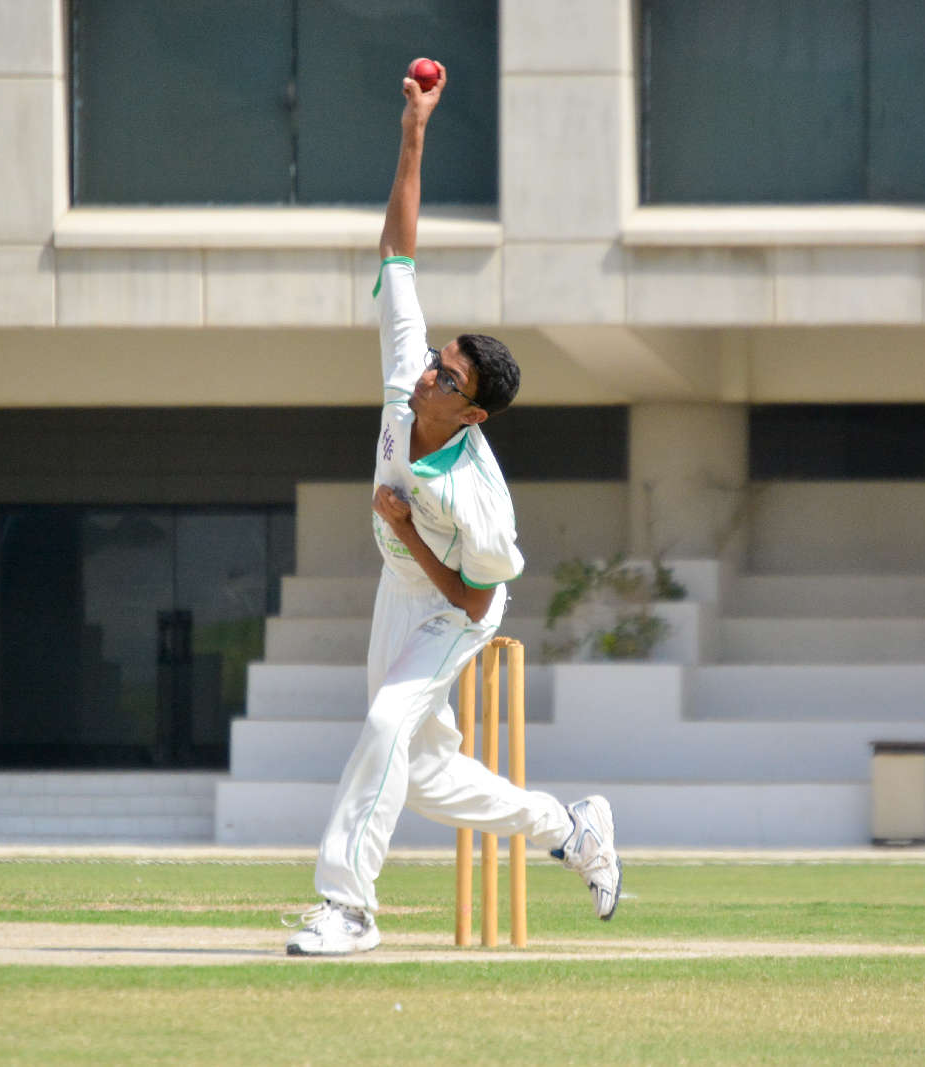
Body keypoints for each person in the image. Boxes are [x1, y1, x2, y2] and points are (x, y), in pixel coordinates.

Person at [285, 61, 622, 956]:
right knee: (426, 774)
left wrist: (405, 530)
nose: (430, 371)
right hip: (401, 585)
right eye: (439, 358)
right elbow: (398, 253)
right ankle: (570, 827)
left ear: (472, 414)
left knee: (384, 725)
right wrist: (414, 131)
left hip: (455, 604)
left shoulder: (479, 497)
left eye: (449, 377)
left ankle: (349, 907)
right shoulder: (409, 374)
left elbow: (476, 599)